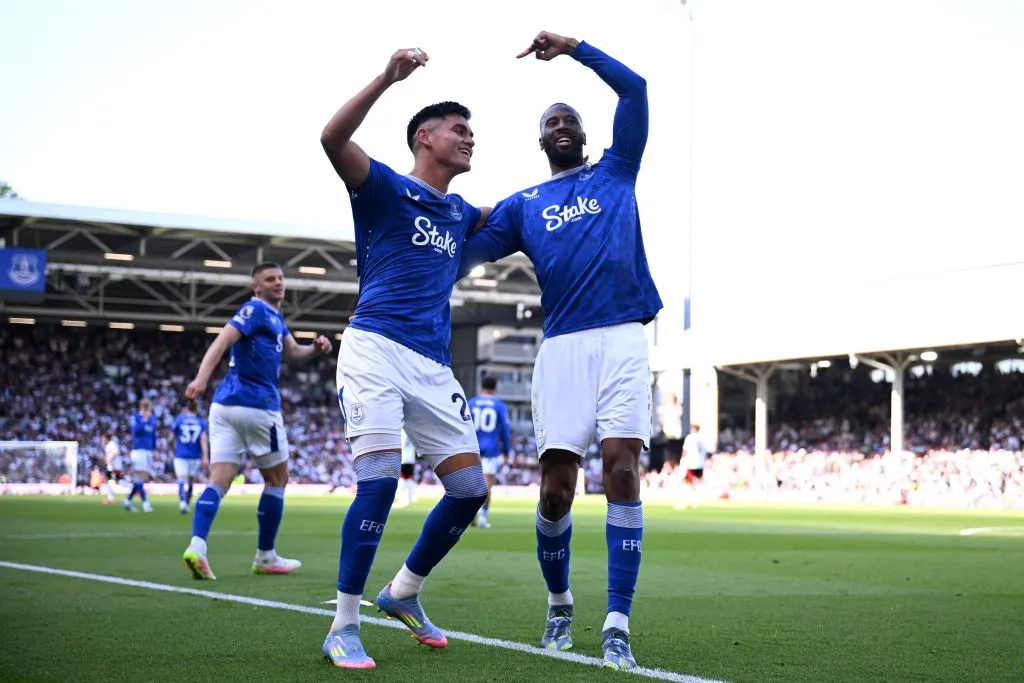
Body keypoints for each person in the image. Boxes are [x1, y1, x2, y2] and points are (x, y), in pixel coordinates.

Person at [458, 31, 663, 671]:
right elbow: (464, 247)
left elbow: (636, 89)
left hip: (624, 335)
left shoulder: (616, 168)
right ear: (542, 141)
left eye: (572, 119)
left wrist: (574, 48)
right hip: (563, 348)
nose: (564, 125)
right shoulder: (525, 206)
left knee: (623, 468)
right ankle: (559, 604)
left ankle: (617, 623)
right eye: (553, 122)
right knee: (555, 490)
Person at [318, 45, 489, 670]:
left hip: (433, 364)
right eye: (459, 129)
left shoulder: (461, 211)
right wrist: (388, 78)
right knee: (380, 480)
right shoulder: (385, 186)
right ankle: (343, 624)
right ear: (426, 137)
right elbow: (332, 137)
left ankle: (403, 592)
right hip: (375, 349)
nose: (470, 138)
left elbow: (514, 215)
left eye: (473, 131)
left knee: (469, 491)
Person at [181, 262, 332, 580]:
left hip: (224, 407)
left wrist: (315, 349)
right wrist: (200, 379)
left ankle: (197, 546)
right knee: (277, 480)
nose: (278, 283)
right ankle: (265, 556)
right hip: (257, 407)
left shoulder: (275, 318)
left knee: (218, 481)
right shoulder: (255, 310)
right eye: (269, 279)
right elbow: (221, 341)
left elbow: (293, 354)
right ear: (256, 286)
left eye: (280, 278)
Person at [468, 376, 512, 528]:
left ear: (481, 386)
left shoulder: (471, 403)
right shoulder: (499, 405)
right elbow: (505, 430)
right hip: (491, 448)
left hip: (473, 447)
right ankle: (483, 519)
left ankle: (469, 513)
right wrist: (507, 451)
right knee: (487, 484)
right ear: (495, 387)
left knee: (472, 484)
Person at [170, 399, 209, 514]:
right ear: (196, 409)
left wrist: (173, 447)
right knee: (191, 481)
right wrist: (205, 456)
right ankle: (187, 502)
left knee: (181, 480)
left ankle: (182, 503)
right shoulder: (201, 423)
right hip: (195, 456)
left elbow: (171, 438)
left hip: (180, 454)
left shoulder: (179, 421)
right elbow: (203, 440)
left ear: (186, 408)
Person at [124, 399, 156, 513]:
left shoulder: (153, 419)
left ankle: (128, 501)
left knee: (142, 478)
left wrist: (154, 449)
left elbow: (153, 435)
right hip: (138, 450)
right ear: (141, 407)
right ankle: (145, 503)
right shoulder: (136, 418)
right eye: (146, 407)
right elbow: (136, 431)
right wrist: (144, 419)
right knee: (140, 477)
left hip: (148, 451)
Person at [394, 429, 418, 508]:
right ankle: (410, 497)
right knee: (409, 478)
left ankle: (404, 498)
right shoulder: (411, 431)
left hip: (404, 458)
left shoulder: (403, 431)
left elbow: (402, 444)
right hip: (410, 458)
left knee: (403, 478)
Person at [100, 433, 122, 505]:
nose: (102, 440)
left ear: (107, 438)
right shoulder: (108, 445)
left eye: (103, 438)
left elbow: (116, 453)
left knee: (116, 481)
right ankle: (110, 498)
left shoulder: (112, 444)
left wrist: (110, 460)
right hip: (110, 466)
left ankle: (135, 489)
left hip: (114, 466)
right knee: (109, 481)